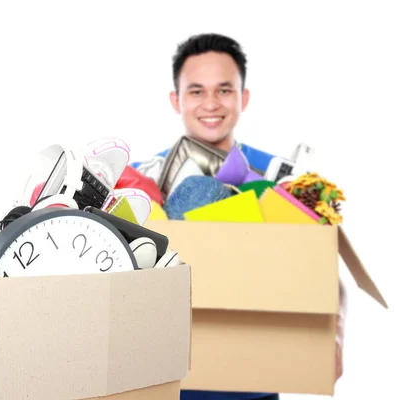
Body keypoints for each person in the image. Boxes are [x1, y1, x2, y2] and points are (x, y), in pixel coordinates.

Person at [131, 33, 347, 400]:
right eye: (197, 91)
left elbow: (323, 263)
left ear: (243, 97)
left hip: (253, 384)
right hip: (168, 384)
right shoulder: (141, 182)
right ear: (176, 99)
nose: (211, 103)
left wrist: (336, 332)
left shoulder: (281, 181)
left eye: (225, 90)